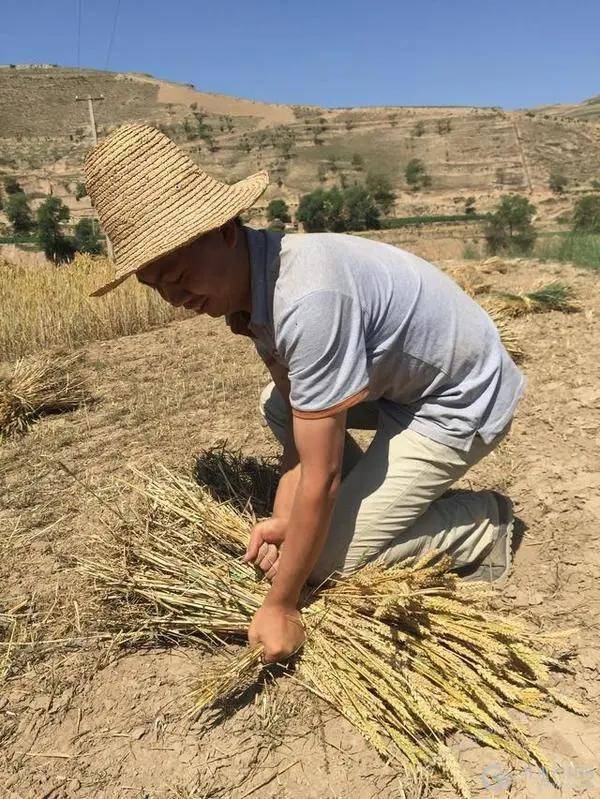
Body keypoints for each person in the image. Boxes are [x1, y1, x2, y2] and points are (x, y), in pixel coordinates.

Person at [85, 123, 525, 665]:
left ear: (223, 230)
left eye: (177, 274)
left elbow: (322, 472)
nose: (175, 298)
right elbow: (299, 427)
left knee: (329, 562)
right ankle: (358, 508)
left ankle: (481, 524)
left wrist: (283, 600)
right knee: (275, 404)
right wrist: (288, 521)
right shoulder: (250, 290)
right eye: (158, 287)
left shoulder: (307, 297)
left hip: (457, 397)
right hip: (397, 383)